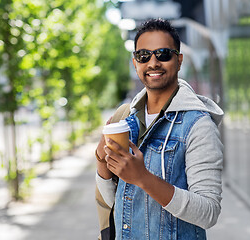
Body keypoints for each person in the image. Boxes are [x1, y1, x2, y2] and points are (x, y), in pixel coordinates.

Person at [95, 18, 224, 240]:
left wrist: (143, 177)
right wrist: (100, 158)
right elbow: (113, 201)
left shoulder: (199, 125)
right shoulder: (126, 118)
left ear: (179, 60)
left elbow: (209, 212)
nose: (153, 63)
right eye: (143, 55)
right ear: (135, 63)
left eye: (163, 54)